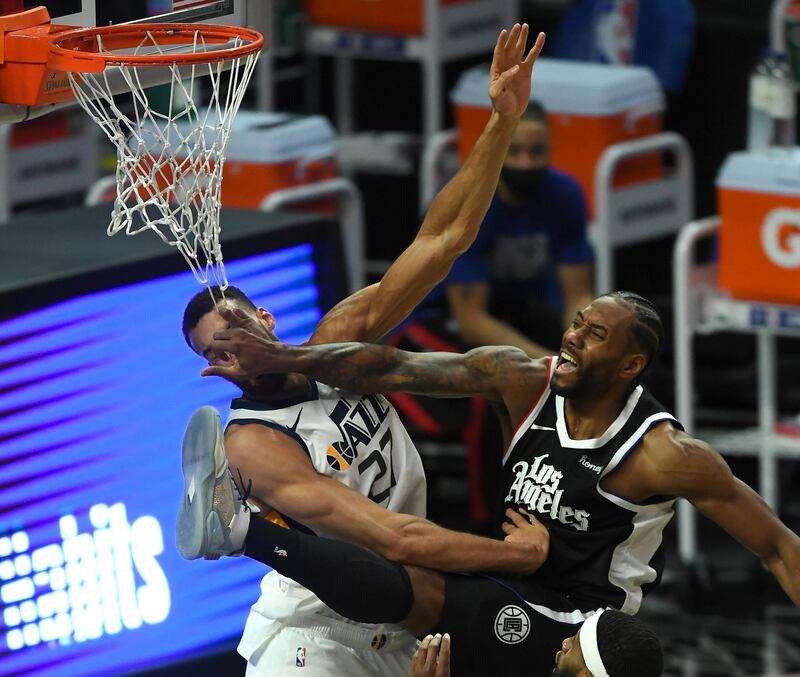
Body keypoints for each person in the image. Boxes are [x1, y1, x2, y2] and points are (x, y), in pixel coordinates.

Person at [177, 24, 549, 677]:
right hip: (311, 637)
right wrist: (513, 554)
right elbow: (390, 535)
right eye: (219, 351)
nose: (234, 350)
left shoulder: (339, 340)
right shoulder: (251, 443)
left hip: (403, 625)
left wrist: (501, 120)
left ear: (265, 318)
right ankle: (242, 531)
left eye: (236, 329)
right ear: (213, 368)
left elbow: (443, 241)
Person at [202, 291, 800, 620]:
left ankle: (249, 533)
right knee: (413, 585)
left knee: (418, 586)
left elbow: (778, 546)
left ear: (630, 365)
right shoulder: (519, 379)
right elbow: (392, 367)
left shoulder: (665, 454)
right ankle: (244, 531)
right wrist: (284, 359)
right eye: (577, 322)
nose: (571, 337)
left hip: (584, 619)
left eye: (595, 335)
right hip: (514, 579)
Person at [180, 451, 663, 677]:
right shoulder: (545, 642)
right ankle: (241, 530)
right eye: (575, 635)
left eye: (576, 647)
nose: (565, 645)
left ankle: (243, 530)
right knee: (438, 598)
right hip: (391, 642)